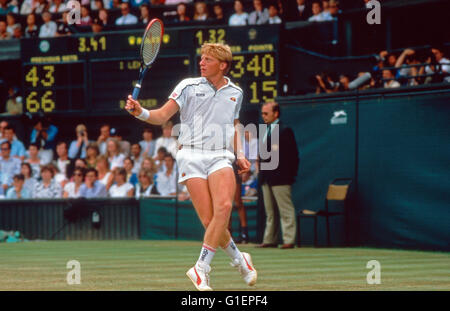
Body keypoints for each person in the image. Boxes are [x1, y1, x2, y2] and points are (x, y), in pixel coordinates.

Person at [125, 42, 256, 291]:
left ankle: (201, 268)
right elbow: (162, 116)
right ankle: (240, 260)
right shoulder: (187, 86)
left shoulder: (236, 92)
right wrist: (140, 112)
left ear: (223, 65)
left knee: (225, 207)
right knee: (210, 221)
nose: (202, 62)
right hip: (191, 155)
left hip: (220, 155)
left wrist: (239, 154)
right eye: (202, 58)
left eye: (208, 59)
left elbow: (235, 124)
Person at [258, 101, 299, 249]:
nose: (263, 116)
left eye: (266, 113)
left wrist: (289, 176)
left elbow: (293, 156)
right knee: (270, 212)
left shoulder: (285, 130)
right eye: (262, 113)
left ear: (276, 114)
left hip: (281, 178)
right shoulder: (264, 131)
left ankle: (289, 239)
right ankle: (270, 239)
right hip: (266, 177)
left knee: (285, 210)